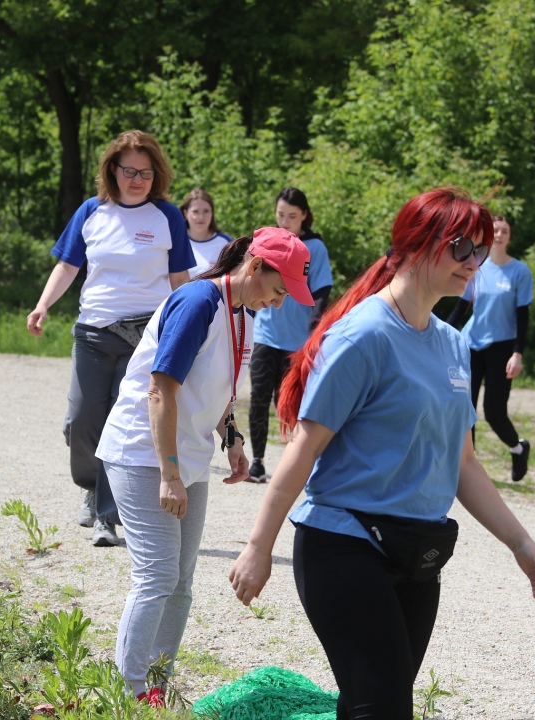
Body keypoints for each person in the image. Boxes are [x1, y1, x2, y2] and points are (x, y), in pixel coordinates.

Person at [228, 188, 535, 720]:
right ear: (415, 245)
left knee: (376, 704)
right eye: (460, 248)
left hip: (417, 553)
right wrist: (257, 547)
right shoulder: (362, 337)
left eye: (478, 251)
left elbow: (464, 465)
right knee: (380, 709)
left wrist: (521, 543)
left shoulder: (454, 345)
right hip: (345, 546)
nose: (472, 263)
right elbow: (304, 449)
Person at [96, 227, 315, 706]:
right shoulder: (198, 301)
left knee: (181, 581)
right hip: (144, 452)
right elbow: (161, 389)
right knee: (156, 575)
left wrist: (231, 436)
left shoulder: (243, 314)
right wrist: (169, 474)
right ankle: (127, 693)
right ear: (255, 266)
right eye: (279, 291)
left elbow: (216, 385)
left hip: (187, 456)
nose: (280, 303)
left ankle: (156, 684)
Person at [27, 130, 194, 547]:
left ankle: (107, 515)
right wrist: (43, 304)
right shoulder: (91, 212)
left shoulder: (168, 216)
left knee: (122, 425)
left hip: (145, 336)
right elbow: (68, 266)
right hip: (94, 332)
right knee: (81, 420)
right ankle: (89, 484)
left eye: (146, 172)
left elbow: (179, 281)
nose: (137, 180)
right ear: (112, 170)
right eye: (129, 171)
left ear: (157, 175)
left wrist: (189, 327)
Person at [247, 187, 333, 483]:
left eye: (292, 216)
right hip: (266, 332)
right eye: (280, 214)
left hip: (297, 340)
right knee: (258, 395)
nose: (285, 221)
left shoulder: (315, 248)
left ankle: (294, 461)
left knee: (287, 401)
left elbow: (322, 290)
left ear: (304, 216)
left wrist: (314, 328)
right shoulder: (270, 240)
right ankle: (256, 461)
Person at [445, 214, 534, 481]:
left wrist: (518, 353)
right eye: (495, 229)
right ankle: (465, 467)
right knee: (465, 408)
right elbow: (461, 309)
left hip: (502, 348)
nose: (498, 234)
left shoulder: (519, 271)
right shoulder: (478, 267)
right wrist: (437, 335)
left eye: (504, 230)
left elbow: (523, 316)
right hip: (472, 345)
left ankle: (518, 448)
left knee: (494, 412)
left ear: (509, 236)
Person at [179, 188, 234, 278]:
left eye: (206, 211)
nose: (201, 217)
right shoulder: (177, 241)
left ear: (212, 212)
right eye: (195, 212)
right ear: (185, 213)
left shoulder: (225, 242)